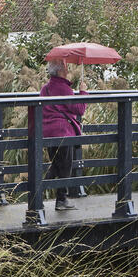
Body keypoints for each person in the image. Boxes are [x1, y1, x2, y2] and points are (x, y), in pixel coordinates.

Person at [41, 59, 87, 210]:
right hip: (63, 132)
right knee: (65, 166)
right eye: (66, 67)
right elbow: (79, 109)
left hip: (47, 133)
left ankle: (37, 192)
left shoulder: (45, 89)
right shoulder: (63, 88)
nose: (68, 70)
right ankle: (61, 200)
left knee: (55, 165)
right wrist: (83, 92)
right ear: (60, 71)